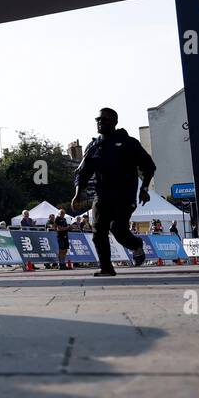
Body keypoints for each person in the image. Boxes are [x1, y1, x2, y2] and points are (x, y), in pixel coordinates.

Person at [71, 107, 156, 276]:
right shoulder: (94, 146)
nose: (100, 122)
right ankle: (106, 267)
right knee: (98, 231)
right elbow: (83, 172)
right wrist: (78, 193)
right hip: (102, 196)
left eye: (105, 119)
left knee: (118, 229)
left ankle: (136, 244)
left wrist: (144, 189)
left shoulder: (129, 143)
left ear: (115, 122)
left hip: (125, 195)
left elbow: (149, 166)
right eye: (98, 119)